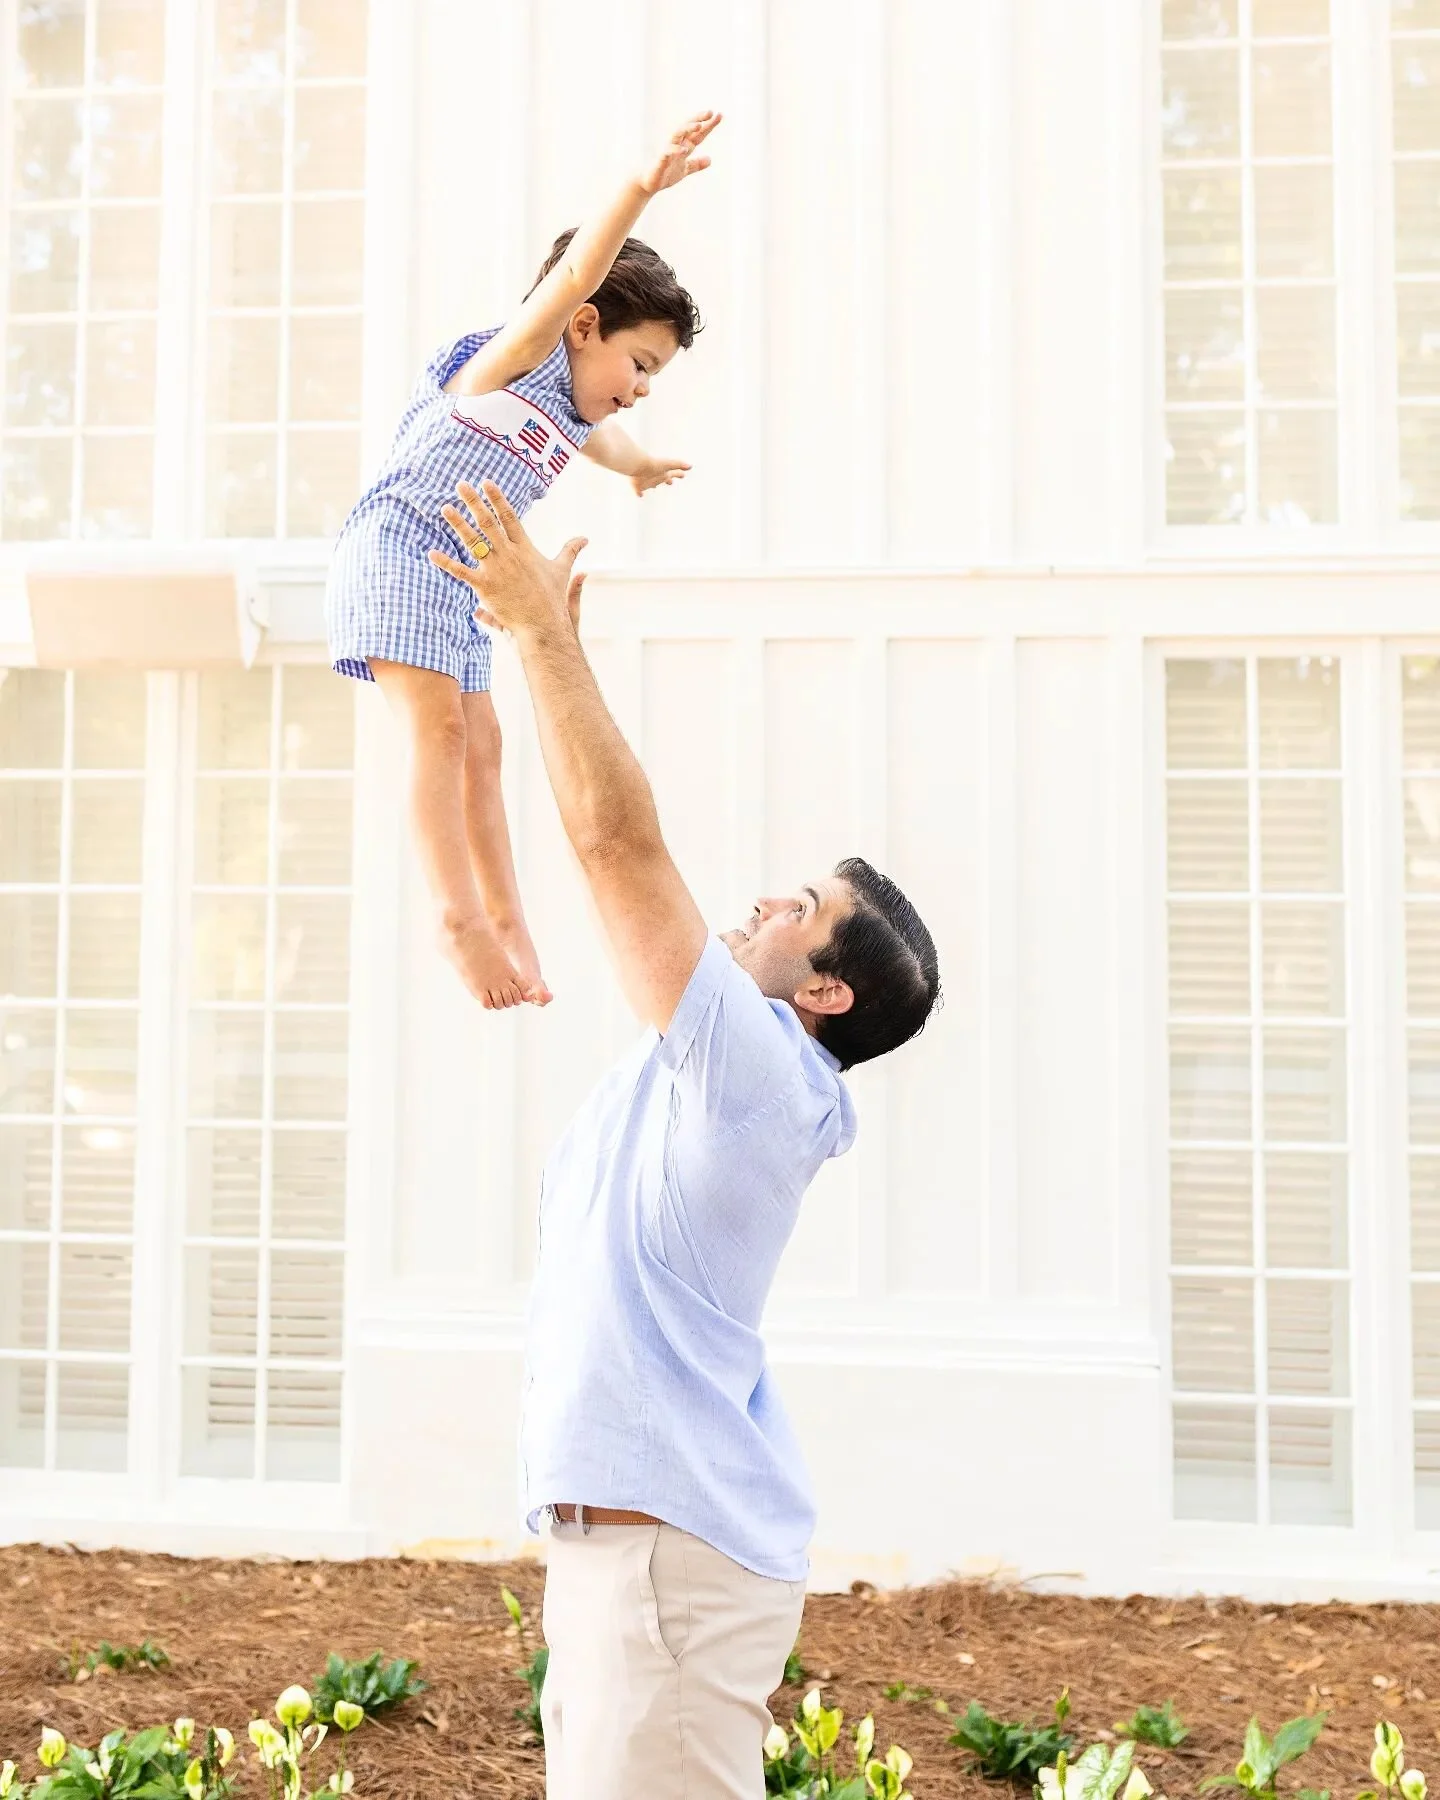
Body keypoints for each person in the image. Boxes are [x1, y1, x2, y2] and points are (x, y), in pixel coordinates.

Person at [429, 481, 941, 1800]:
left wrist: (544, 643)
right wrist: (557, 653)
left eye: (801, 908)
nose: (765, 898)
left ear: (823, 992)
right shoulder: (720, 1068)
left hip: (664, 1564)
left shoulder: (761, 1072)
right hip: (638, 1552)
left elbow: (615, 845)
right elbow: (605, 842)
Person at [324, 110, 720, 1011]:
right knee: (443, 731)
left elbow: (606, 443)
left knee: (487, 745)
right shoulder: (516, 359)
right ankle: (456, 914)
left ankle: (507, 919)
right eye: (641, 361)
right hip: (398, 546)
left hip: (458, 580)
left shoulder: (577, 416)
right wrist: (640, 186)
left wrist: (641, 468)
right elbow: (581, 270)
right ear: (583, 329)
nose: (643, 386)